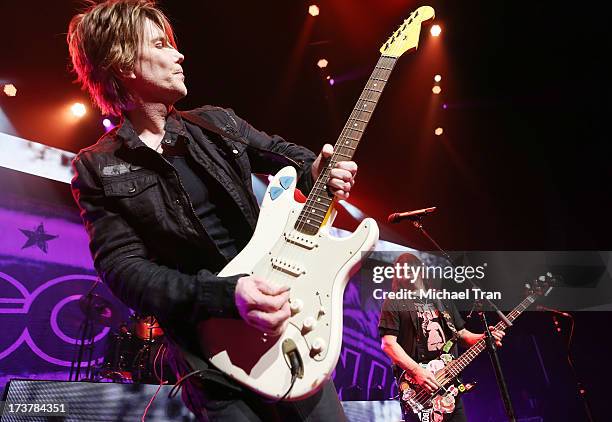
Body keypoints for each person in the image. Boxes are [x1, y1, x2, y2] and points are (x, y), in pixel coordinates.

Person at [67, 1, 356, 420]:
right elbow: (123, 270)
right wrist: (225, 294)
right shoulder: (95, 167)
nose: (178, 54)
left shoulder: (217, 124)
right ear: (123, 62)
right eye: (162, 44)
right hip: (209, 359)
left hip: (284, 331)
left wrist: (318, 169)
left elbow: (289, 158)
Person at [378, 253, 505, 422]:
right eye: (400, 268)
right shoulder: (394, 301)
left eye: (409, 265)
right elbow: (388, 344)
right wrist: (417, 371)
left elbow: (461, 334)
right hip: (419, 389)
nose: (405, 270)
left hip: (449, 386)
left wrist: (485, 337)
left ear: (420, 270)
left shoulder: (441, 299)